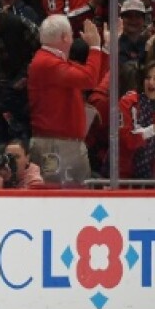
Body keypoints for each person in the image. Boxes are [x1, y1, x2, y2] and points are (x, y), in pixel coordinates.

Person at [28, 15, 106, 187]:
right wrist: (94, 47)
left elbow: (91, 75)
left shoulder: (52, 61)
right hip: (56, 144)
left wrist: (104, 49)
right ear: (64, 37)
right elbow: (88, 79)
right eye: (71, 35)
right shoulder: (47, 63)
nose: (73, 39)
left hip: (63, 143)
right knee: (57, 200)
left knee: (75, 199)